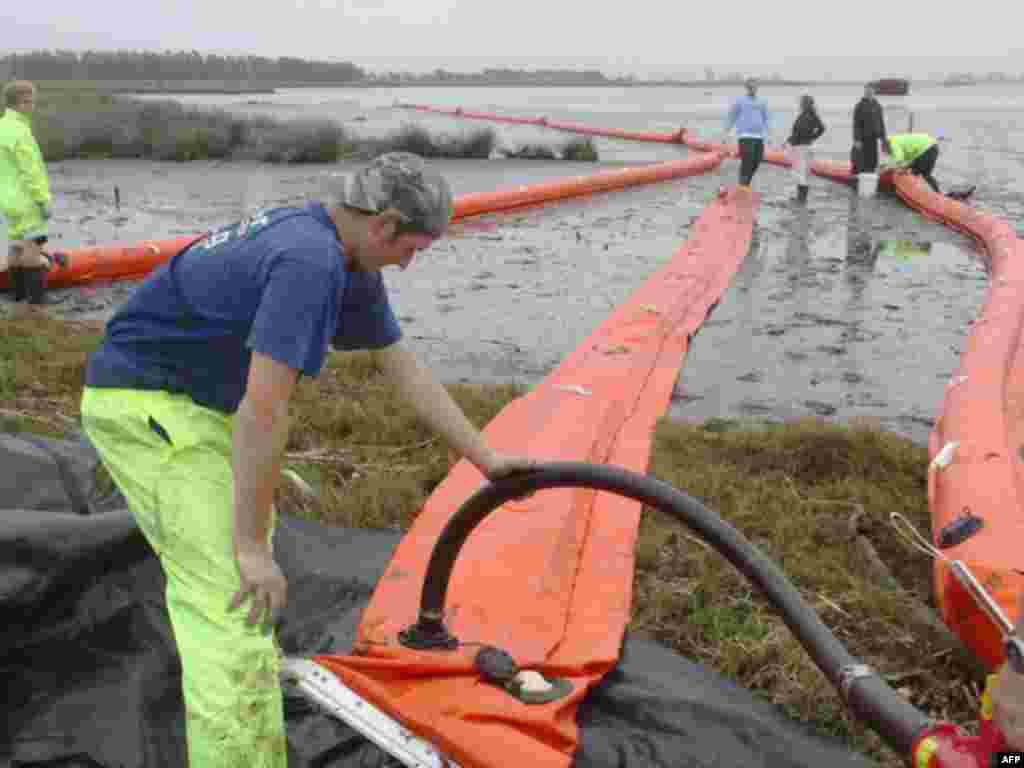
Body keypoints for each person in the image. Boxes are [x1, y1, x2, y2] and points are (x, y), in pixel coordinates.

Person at [79, 152, 540, 767]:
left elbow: (400, 368)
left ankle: (246, 707)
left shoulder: (342, 252)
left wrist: (484, 458)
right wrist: (248, 548)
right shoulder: (309, 261)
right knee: (230, 594)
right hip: (146, 407)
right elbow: (264, 411)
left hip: (194, 404)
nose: (407, 262)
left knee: (244, 566)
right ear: (384, 224)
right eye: (413, 248)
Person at [0, 80, 53, 304]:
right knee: (33, 251)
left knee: (15, 247)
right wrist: (43, 200)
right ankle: (36, 305)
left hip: (7, 200)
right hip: (27, 201)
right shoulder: (21, 132)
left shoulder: (2, 126)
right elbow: (31, 171)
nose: (33, 106)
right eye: (31, 102)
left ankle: (17, 299)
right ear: (22, 103)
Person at [881, 132, 975, 199]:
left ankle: (929, 194)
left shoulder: (893, 144)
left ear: (886, 146)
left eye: (888, 152)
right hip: (931, 147)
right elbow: (906, 162)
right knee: (923, 173)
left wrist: (895, 169)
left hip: (927, 149)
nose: (889, 154)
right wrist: (899, 167)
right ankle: (939, 193)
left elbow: (899, 160)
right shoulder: (896, 140)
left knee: (917, 172)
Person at [722, 77, 771, 188]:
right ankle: (742, 186)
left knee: (757, 161)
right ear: (747, 88)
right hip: (745, 136)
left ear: (757, 88)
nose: (753, 89)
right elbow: (731, 117)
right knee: (747, 162)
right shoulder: (739, 101)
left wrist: (770, 135)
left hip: (759, 137)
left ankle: (745, 184)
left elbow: (766, 118)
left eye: (755, 87)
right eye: (750, 87)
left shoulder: (762, 102)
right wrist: (725, 134)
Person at [782, 93, 826, 204]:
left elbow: (798, 134)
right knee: (804, 173)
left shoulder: (803, 117)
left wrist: (788, 142)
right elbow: (822, 128)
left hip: (800, 148)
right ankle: (801, 198)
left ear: (804, 104)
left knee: (798, 173)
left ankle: (801, 199)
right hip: (808, 147)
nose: (799, 104)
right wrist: (813, 138)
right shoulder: (813, 115)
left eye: (801, 102)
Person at [851, 83, 887, 176]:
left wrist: (883, 140)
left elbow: (881, 123)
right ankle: (858, 177)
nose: (868, 92)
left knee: (873, 161)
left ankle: (871, 179)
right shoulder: (859, 106)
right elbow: (856, 124)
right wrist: (857, 139)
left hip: (873, 139)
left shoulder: (878, 106)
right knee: (860, 161)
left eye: (870, 90)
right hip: (862, 139)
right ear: (864, 92)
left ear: (874, 91)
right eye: (867, 91)